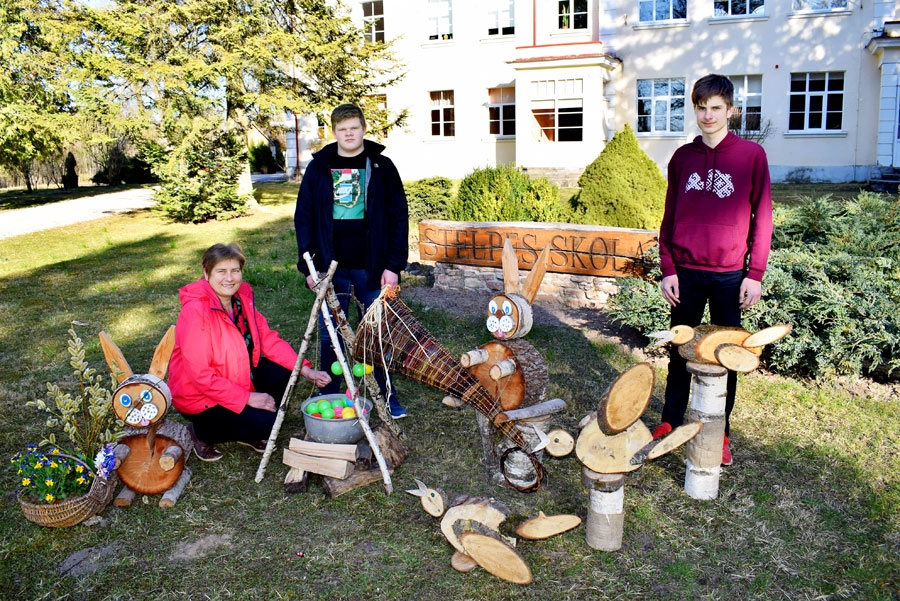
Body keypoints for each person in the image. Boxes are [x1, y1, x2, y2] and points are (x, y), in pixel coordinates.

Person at [654, 74, 773, 466]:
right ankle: (669, 423)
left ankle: (720, 434)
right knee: (679, 350)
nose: (707, 115)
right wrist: (668, 268)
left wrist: (754, 274)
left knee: (728, 355)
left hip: (728, 276)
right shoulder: (683, 159)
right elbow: (669, 216)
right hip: (685, 272)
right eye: (701, 108)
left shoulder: (750, 157)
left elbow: (763, 218)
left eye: (716, 108)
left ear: (731, 111)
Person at [294, 103, 409, 419]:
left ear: (363, 129)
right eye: (342, 129)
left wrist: (393, 265)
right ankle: (330, 396)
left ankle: (386, 395)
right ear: (334, 133)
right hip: (331, 271)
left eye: (354, 128)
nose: (349, 133)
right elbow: (303, 218)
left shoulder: (382, 167)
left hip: (372, 269)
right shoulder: (319, 169)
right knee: (331, 336)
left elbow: (399, 217)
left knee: (376, 335)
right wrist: (310, 267)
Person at [169, 243, 331, 462]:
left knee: (283, 371)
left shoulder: (240, 299)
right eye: (221, 271)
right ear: (206, 273)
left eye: (235, 271)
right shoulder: (195, 312)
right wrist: (247, 398)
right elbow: (200, 376)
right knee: (268, 424)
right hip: (200, 397)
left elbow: (268, 340)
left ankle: (249, 428)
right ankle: (200, 433)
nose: (229, 278)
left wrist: (305, 369)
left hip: (235, 377)